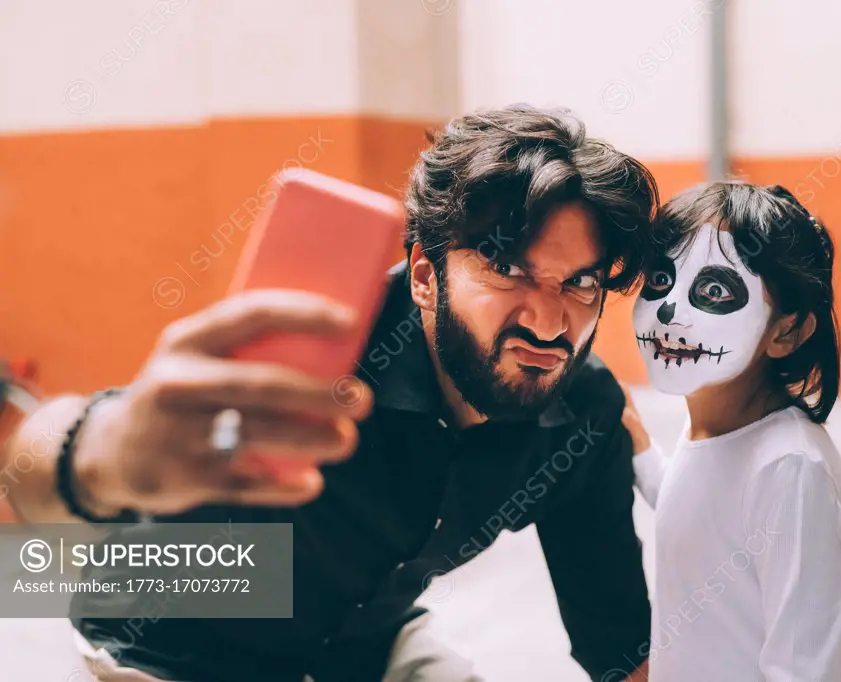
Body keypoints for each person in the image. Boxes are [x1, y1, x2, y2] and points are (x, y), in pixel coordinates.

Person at [1, 105, 660, 682]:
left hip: (366, 649)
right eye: (507, 268)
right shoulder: (326, 347)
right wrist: (103, 448)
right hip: (174, 645)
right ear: (426, 275)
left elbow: (619, 646)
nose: (550, 323)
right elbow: (28, 472)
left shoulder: (581, 412)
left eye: (580, 285)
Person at [620, 181, 841, 681]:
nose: (670, 310)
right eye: (661, 278)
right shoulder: (711, 420)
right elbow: (707, 514)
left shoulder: (793, 471)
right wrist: (640, 449)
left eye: (713, 291)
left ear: (787, 332)